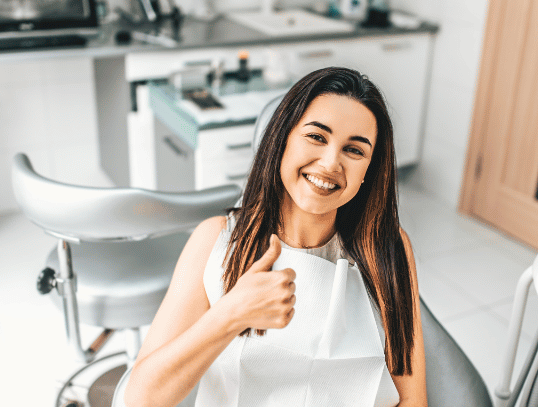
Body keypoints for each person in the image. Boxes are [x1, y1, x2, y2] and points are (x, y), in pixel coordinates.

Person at [125, 67, 428, 407]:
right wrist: (230, 315)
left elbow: (412, 400)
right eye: (316, 137)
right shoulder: (216, 241)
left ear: (368, 173)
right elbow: (141, 398)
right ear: (282, 138)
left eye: (354, 150)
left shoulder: (386, 247)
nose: (330, 163)